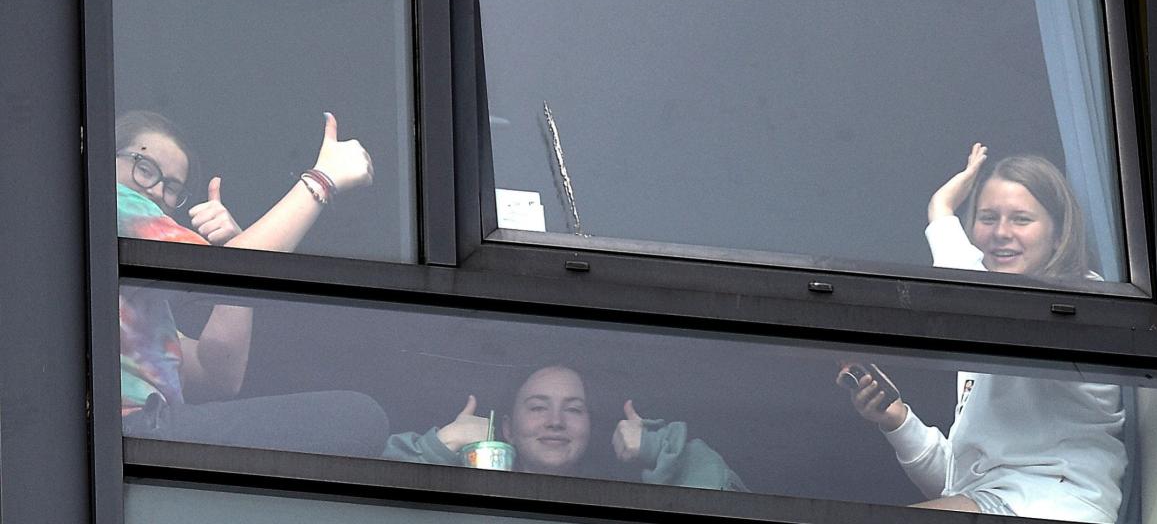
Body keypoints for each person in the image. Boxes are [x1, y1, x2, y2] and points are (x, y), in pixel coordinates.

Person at [839, 143, 1126, 521]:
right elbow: (958, 485)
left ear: (1058, 235)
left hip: (1054, 507)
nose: (1001, 233)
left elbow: (964, 296)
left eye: (1021, 219)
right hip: (1004, 502)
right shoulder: (986, 330)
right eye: (988, 218)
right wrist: (897, 420)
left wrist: (940, 212)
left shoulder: (1078, 300)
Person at [116, 110, 389, 456]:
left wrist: (237, 252)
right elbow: (223, 270)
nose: (155, 191)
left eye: (172, 188)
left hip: (139, 434)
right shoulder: (110, 200)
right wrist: (322, 180)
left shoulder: (140, 299)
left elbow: (218, 374)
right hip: (129, 427)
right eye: (144, 168)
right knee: (357, 417)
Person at [384, 365, 746, 491]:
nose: (555, 421)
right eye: (538, 407)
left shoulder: (618, 501)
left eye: (573, 409)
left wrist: (658, 448)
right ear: (506, 429)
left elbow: (725, 500)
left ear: (590, 427)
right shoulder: (465, 497)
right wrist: (443, 445)